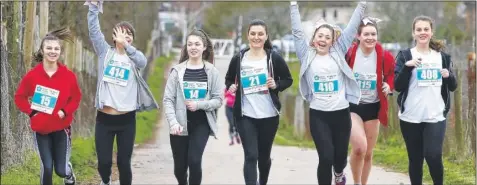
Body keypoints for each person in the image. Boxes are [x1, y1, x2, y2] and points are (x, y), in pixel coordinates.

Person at [290, 1, 367, 184]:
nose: (323, 40)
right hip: (319, 115)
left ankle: (339, 173)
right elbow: (297, 31)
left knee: (339, 158)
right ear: (314, 38)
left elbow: (351, 27)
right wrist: (293, 4)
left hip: (341, 114)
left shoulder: (338, 51)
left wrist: (362, 4)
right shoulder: (305, 54)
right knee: (325, 157)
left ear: (333, 41)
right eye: (320, 36)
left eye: (327, 37)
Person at [86, 1, 159, 185]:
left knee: (124, 163)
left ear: (132, 39)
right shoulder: (105, 53)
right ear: (113, 36)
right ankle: (106, 181)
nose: (125, 36)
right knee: (104, 163)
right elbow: (94, 31)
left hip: (127, 120)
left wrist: (126, 46)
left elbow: (142, 61)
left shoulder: (134, 58)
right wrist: (94, 8)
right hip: (104, 118)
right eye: (121, 33)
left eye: (129, 34)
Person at [225, 19, 293, 185]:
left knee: (263, 157)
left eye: (260, 34)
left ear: (266, 36)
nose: (256, 37)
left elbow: (288, 79)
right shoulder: (239, 59)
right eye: (253, 33)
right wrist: (232, 86)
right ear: (247, 35)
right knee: (251, 155)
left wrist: (276, 84)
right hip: (245, 115)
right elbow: (228, 79)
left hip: (269, 116)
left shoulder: (273, 58)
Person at [394, 15, 457, 185]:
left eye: (426, 29)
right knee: (415, 160)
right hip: (410, 117)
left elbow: (453, 86)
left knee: (433, 156)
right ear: (414, 33)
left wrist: (449, 76)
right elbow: (397, 86)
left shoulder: (442, 57)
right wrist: (408, 68)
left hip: (435, 115)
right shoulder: (405, 55)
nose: (422, 32)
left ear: (431, 32)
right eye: (419, 30)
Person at [14, 27, 81, 185]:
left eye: (56, 48)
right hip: (41, 130)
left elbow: (76, 97)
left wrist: (65, 111)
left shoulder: (68, 76)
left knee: (60, 170)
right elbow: (19, 97)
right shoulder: (32, 76)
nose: (53, 51)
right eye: (49, 48)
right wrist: (31, 112)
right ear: (42, 51)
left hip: (61, 129)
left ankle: (68, 173)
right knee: (47, 167)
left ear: (60, 52)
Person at [163, 29, 223, 185]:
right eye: (190, 44)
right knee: (179, 169)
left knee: (194, 161)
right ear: (186, 47)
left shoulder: (212, 72)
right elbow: (168, 99)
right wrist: (173, 122)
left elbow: (218, 100)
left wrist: (199, 105)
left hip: (201, 123)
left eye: (197, 44)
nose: (193, 47)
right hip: (179, 125)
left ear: (204, 47)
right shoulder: (177, 71)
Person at [344, 16, 395, 185]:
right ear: (358, 36)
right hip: (352, 106)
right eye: (366, 34)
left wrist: (388, 85)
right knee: (359, 148)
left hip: (373, 107)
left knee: (368, 153)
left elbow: (390, 75)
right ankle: (356, 182)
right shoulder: (350, 53)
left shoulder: (384, 55)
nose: (370, 37)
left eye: (373, 34)